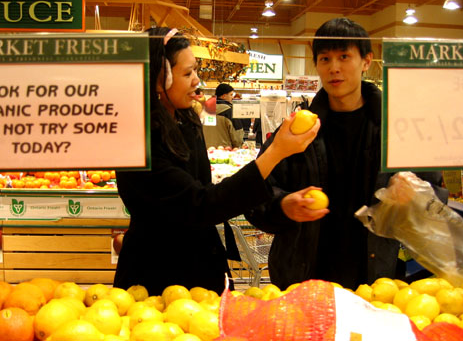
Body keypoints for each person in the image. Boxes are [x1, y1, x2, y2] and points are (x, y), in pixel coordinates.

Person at [113, 27, 322, 295]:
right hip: (156, 282)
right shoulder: (137, 140)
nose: (196, 81)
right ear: (157, 79)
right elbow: (199, 206)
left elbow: (208, 193)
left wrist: (281, 204)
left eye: (195, 70)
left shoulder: (186, 121)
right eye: (187, 73)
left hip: (202, 269)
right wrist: (276, 152)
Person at [247, 18, 448, 291]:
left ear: (366, 61)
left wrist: (415, 194)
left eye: (344, 56)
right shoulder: (296, 129)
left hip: (376, 281)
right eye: (325, 59)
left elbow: (435, 201)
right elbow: (254, 195)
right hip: (303, 281)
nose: (334, 68)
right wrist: (284, 206)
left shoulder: (398, 128)